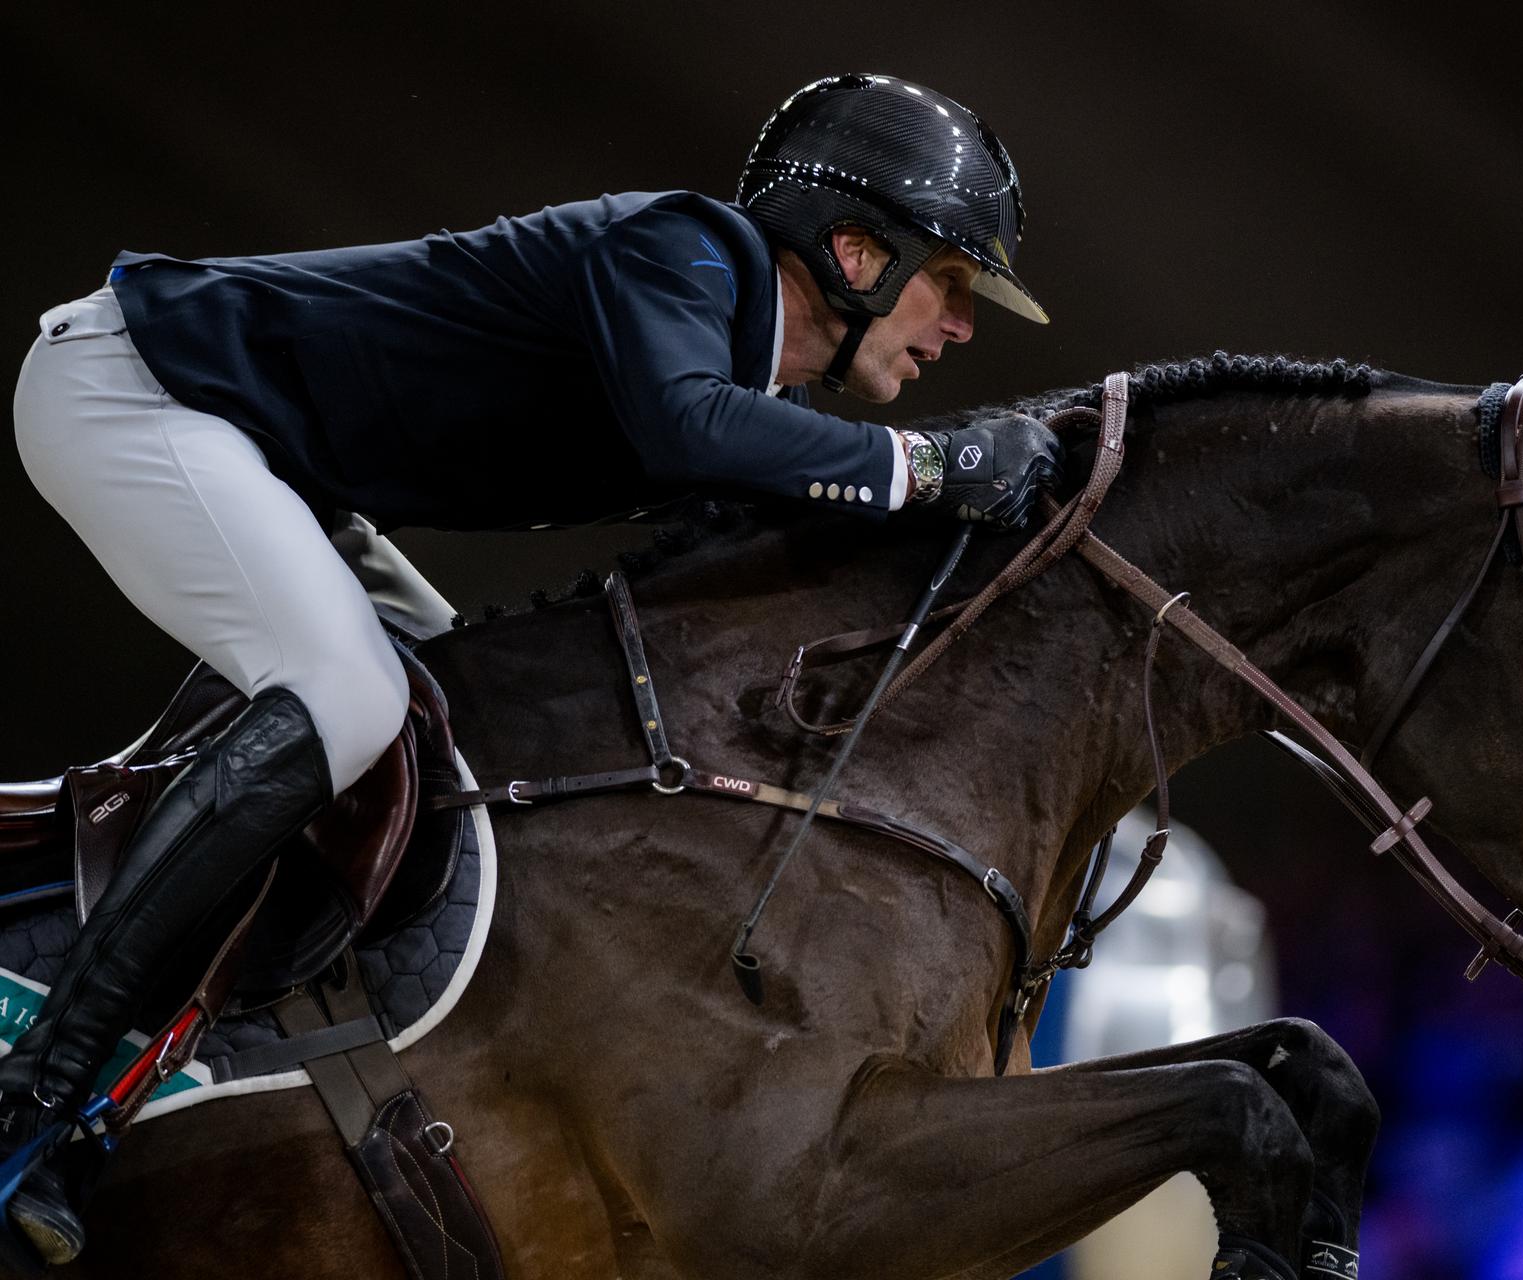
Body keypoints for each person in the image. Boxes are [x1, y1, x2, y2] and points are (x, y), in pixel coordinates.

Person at [0, 72, 1061, 1269]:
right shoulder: (684, 251)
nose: (960, 326)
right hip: (138, 388)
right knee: (347, 696)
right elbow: (689, 427)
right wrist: (929, 465)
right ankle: (38, 1094)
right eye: (951, 281)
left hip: (267, 461)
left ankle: (233, 1050)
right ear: (857, 252)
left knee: (464, 728)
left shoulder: (739, 367)